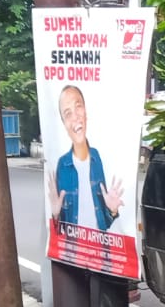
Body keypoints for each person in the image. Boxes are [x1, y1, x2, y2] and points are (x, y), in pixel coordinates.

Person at [46, 85, 124, 232]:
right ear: (64, 123)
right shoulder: (62, 165)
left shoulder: (96, 158)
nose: (75, 117)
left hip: (99, 251)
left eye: (78, 106)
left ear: (86, 111)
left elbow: (105, 222)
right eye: (68, 113)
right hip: (75, 252)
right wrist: (56, 215)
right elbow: (59, 230)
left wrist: (112, 210)